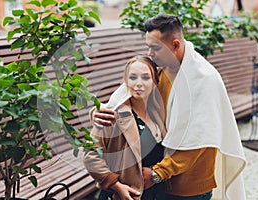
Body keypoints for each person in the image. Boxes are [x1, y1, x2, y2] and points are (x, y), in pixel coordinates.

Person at [91, 14, 246, 200]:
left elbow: (199, 140)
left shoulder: (205, 80)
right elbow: (126, 92)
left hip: (188, 187)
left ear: (175, 45)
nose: (150, 53)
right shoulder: (160, 69)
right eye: (148, 47)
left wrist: (158, 173)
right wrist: (99, 112)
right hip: (158, 183)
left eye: (155, 48)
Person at [83, 55, 168, 200]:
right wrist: (116, 185)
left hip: (156, 193)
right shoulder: (112, 115)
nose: (139, 83)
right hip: (125, 195)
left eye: (146, 78)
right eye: (133, 77)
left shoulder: (157, 113)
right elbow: (91, 156)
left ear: (155, 83)